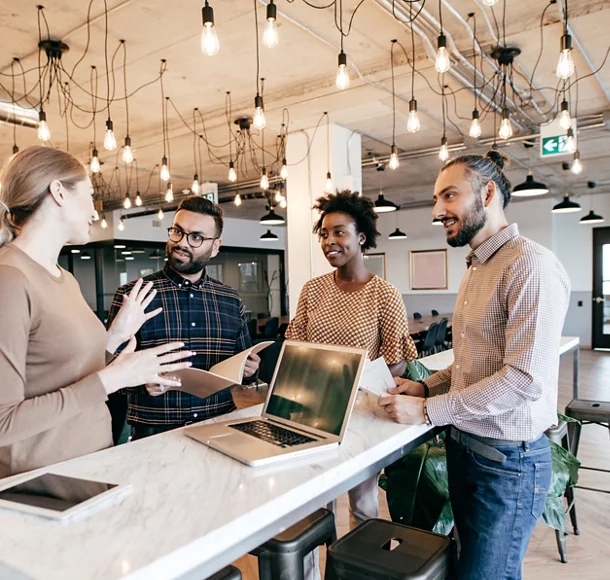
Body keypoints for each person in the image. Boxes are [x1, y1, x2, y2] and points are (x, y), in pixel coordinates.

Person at [379, 151, 571, 580]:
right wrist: (428, 388)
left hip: (508, 464)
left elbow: (522, 381)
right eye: (435, 198)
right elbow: (471, 363)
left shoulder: (529, 265)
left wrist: (428, 411)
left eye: (449, 195)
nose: (436, 210)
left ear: (487, 193)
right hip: (469, 451)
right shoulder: (477, 267)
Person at [0, 146, 192, 478]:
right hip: (44, 486)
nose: (94, 212)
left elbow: (61, 371)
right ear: (58, 192)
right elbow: (4, 423)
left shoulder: (65, 278)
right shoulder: (10, 279)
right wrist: (115, 377)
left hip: (90, 466)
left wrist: (114, 336)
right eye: (89, 196)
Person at [286, 191, 418, 579]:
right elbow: (296, 346)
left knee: (362, 506)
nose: (330, 242)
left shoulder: (384, 294)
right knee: (312, 509)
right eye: (324, 234)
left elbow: (398, 361)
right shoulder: (312, 290)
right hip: (311, 412)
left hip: (362, 415)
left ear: (361, 237)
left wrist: (360, 375)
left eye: (339, 232)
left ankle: (360, 575)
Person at [108, 196, 260, 440]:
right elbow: (108, 371)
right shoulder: (132, 296)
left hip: (219, 427)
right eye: (178, 232)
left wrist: (250, 370)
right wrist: (142, 383)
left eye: (196, 237)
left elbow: (241, 368)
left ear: (216, 246)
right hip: (154, 435)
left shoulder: (230, 300)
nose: (182, 243)